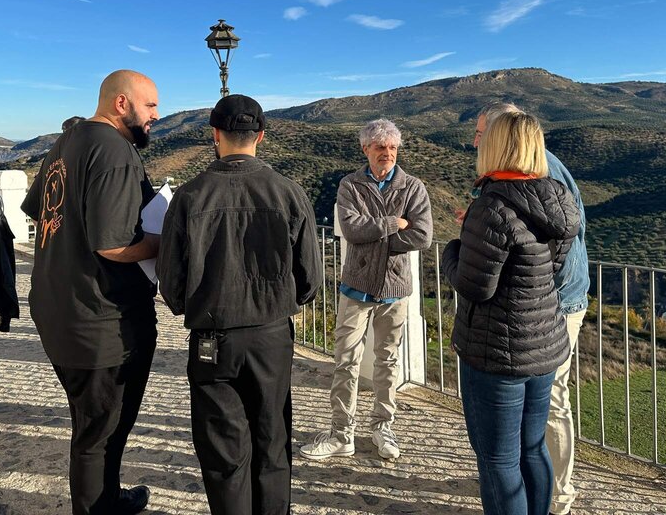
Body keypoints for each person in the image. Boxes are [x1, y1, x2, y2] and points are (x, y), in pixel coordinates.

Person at [158, 94, 324, 515]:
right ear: (261, 136)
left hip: (212, 339)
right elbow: (310, 279)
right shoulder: (289, 192)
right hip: (271, 336)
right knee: (272, 441)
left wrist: (188, 304)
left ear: (215, 135)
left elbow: (171, 282)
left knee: (222, 452)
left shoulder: (190, 196)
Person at [21, 69, 160, 515]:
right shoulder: (116, 152)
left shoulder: (68, 141)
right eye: (151, 105)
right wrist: (166, 239)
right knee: (100, 434)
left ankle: (108, 497)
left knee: (92, 426)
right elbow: (113, 243)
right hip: (101, 321)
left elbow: (39, 209)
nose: (157, 115)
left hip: (57, 309)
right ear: (122, 104)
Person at [442, 111, 580, 515]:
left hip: (495, 352)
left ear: (497, 147)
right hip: (544, 344)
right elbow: (550, 271)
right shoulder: (558, 198)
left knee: (499, 459)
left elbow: (475, 286)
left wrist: (454, 249)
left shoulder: (491, 206)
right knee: (532, 447)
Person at [301, 118, 433, 461]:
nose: (386, 153)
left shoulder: (413, 187)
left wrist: (377, 232)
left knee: (388, 361)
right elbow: (351, 229)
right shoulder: (350, 185)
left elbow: (422, 235)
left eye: (391, 148)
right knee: (345, 361)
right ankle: (341, 432)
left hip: (394, 288)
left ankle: (382, 427)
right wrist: (392, 224)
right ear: (366, 150)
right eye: (379, 148)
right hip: (356, 286)